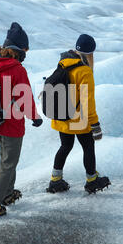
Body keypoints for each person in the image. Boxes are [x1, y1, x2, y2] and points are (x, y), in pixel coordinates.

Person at [0, 22, 43, 219]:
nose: (26, 53)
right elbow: (25, 98)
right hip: (11, 125)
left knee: (7, 159)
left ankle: (7, 193)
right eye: (25, 49)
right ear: (19, 49)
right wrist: (35, 117)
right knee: (8, 164)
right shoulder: (17, 69)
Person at [47, 34, 110, 194]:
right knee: (88, 147)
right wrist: (95, 123)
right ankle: (92, 180)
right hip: (78, 119)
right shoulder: (84, 71)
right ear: (91, 53)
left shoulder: (63, 63)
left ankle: (55, 180)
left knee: (65, 146)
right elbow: (87, 101)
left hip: (62, 115)